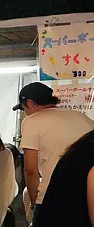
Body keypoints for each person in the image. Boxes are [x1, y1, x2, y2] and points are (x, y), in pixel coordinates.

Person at [15, 82, 94, 210]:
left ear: (29, 103)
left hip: (53, 195)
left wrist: (34, 203)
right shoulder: (82, 117)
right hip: (87, 194)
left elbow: (30, 171)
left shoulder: (31, 121)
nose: (26, 113)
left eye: (24, 109)